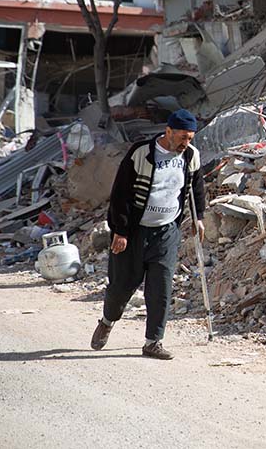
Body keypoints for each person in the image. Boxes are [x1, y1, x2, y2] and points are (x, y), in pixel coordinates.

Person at [90, 109, 205, 359]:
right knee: (121, 286)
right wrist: (120, 231)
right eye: (182, 137)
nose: (186, 143)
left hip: (166, 232)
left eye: (190, 138)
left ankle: (153, 341)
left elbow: (197, 187)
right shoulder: (141, 153)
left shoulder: (190, 156)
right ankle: (107, 321)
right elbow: (120, 195)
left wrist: (199, 218)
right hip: (133, 232)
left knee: (161, 287)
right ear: (168, 132)